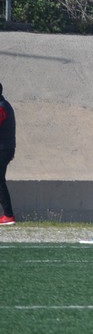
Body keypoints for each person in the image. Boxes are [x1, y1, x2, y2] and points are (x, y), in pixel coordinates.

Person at [0, 82, 15, 226]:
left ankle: (8, 216)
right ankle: (8, 215)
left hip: (3, 149)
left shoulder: (2, 107)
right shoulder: (4, 105)